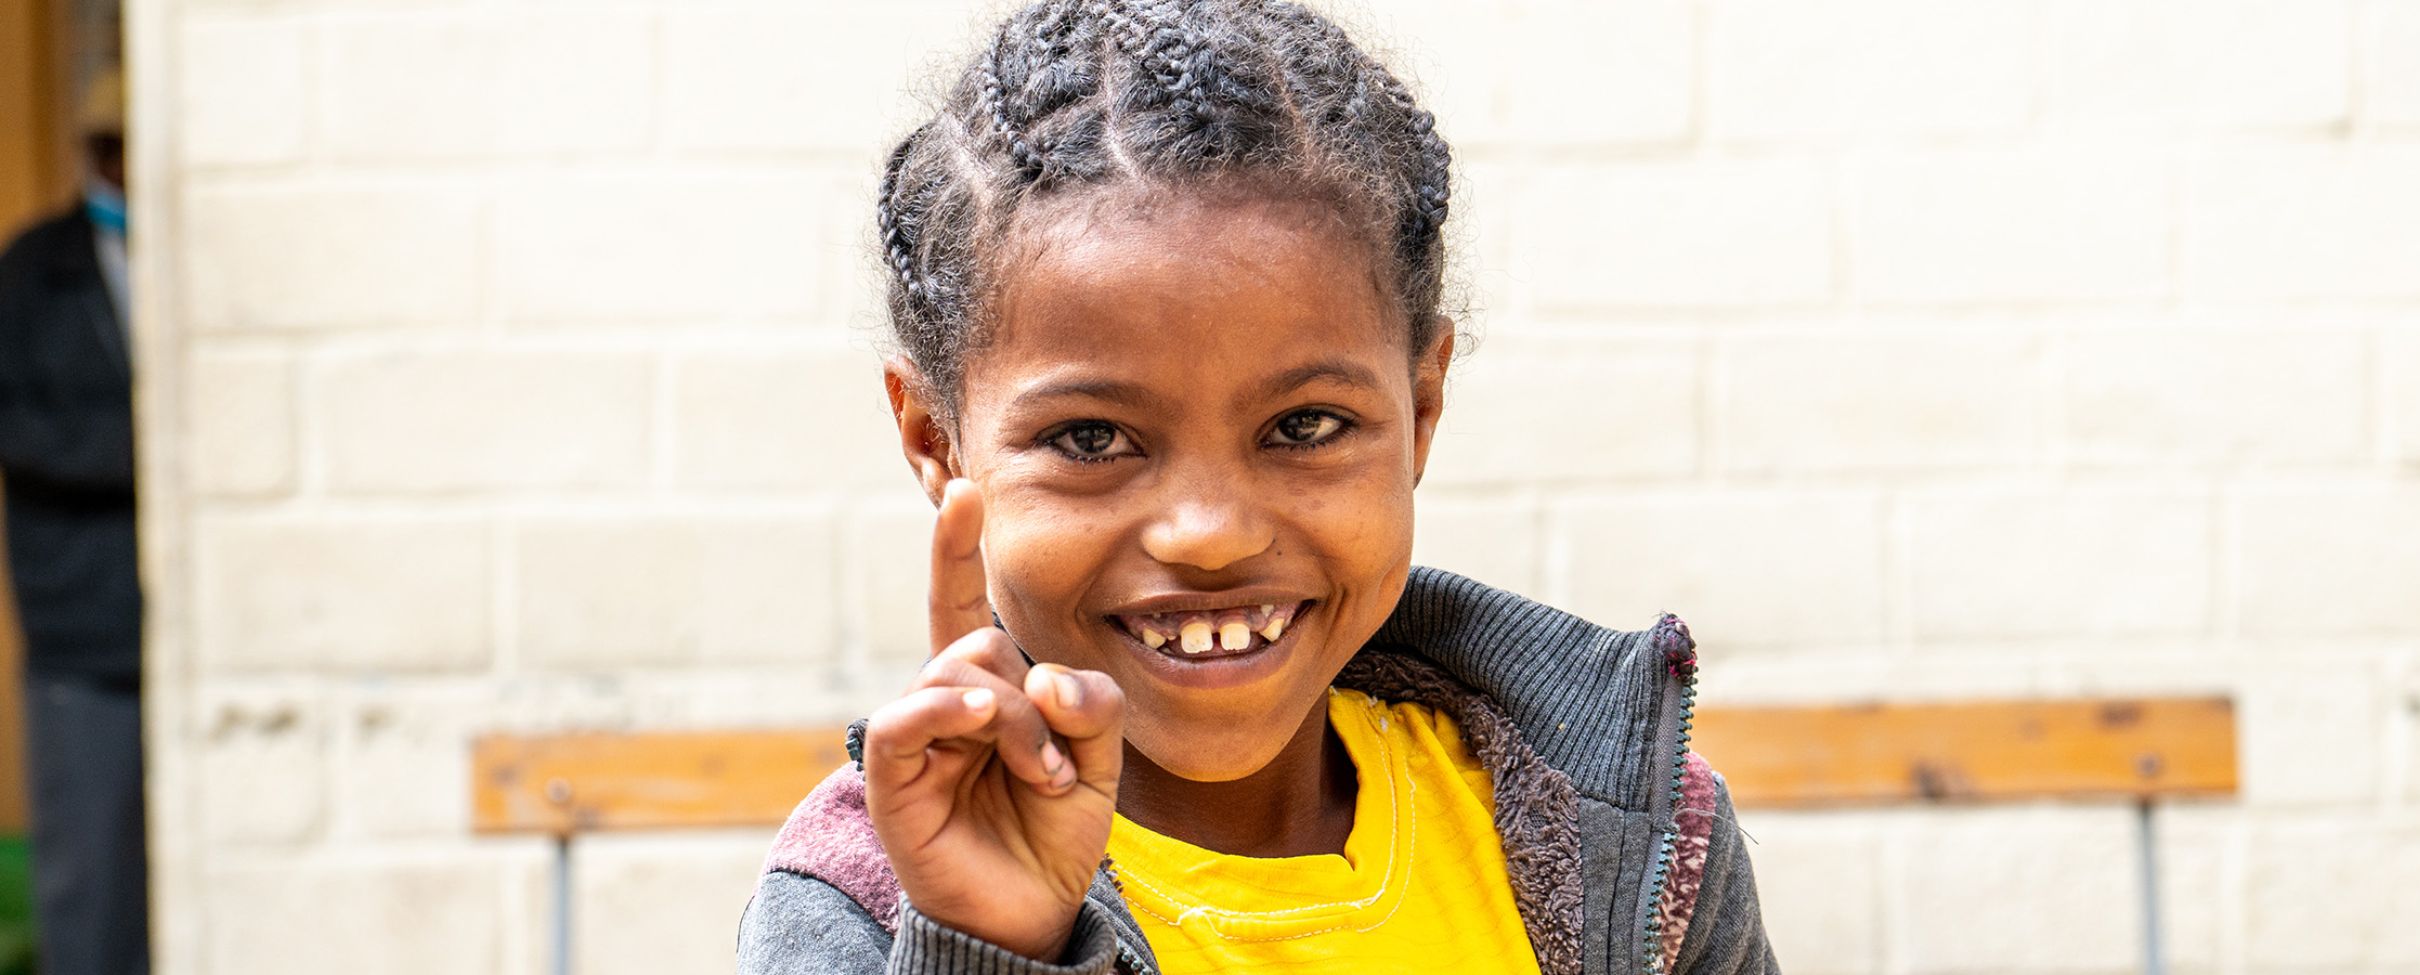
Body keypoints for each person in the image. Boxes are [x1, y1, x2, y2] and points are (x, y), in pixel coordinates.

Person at [737, 2, 1776, 972]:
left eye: (1303, 428)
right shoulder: (866, 902)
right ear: (936, 440)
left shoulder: (1633, 840)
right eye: (1092, 438)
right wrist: (985, 945)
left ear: (1421, 410)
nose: (1209, 535)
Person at [0, 67, 150, 975]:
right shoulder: (32, 273)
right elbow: (19, 425)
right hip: (81, 627)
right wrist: (143, 445)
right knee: (92, 887)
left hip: (179, 625)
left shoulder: (193, 258)